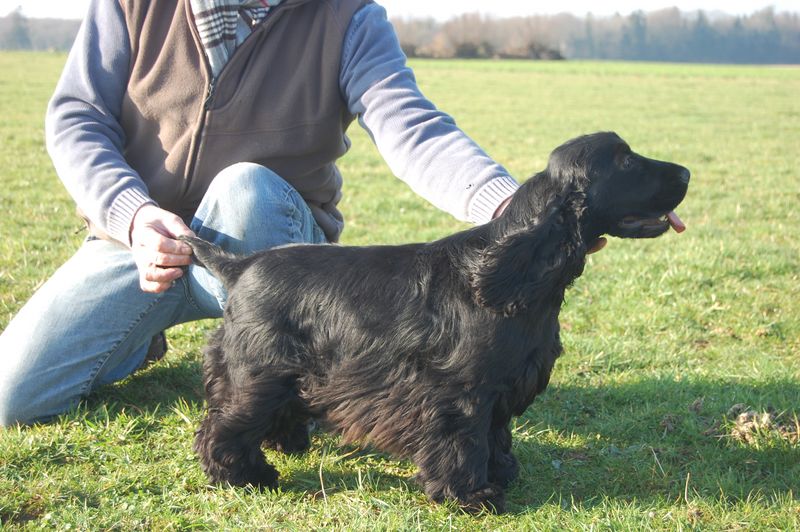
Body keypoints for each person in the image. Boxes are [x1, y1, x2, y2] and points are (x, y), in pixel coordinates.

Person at [0, 0, 602, 427]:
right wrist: (131, 215)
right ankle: (145, 336)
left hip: (276, 249)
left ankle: (290, 385)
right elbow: (77, 115)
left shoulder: (347, 15)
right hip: (141, 242)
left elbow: (410, 126)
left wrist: (508, 208)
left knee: (245, 188)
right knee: (14, 398)